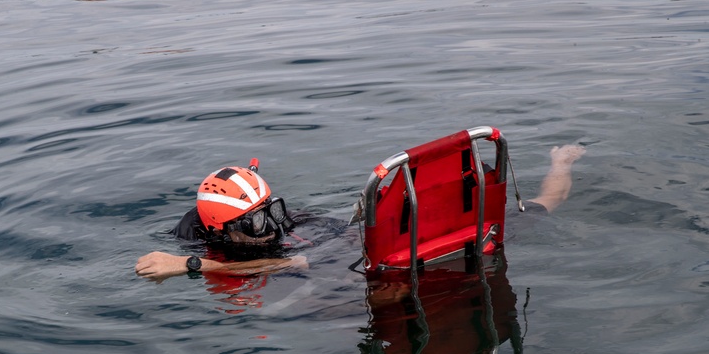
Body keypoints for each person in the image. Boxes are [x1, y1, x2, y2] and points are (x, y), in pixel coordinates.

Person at [134, 145, 585, 280]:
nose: (269, 225)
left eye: (271, 210)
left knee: (535, 212)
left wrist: (560, 165)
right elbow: (281, 268)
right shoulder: (222, 252)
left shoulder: (283, 226)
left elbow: (297, 257)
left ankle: (559, 164)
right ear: (222, 231)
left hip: (363, 247)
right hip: (362, 264)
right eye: (255, 222)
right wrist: (190, 265)